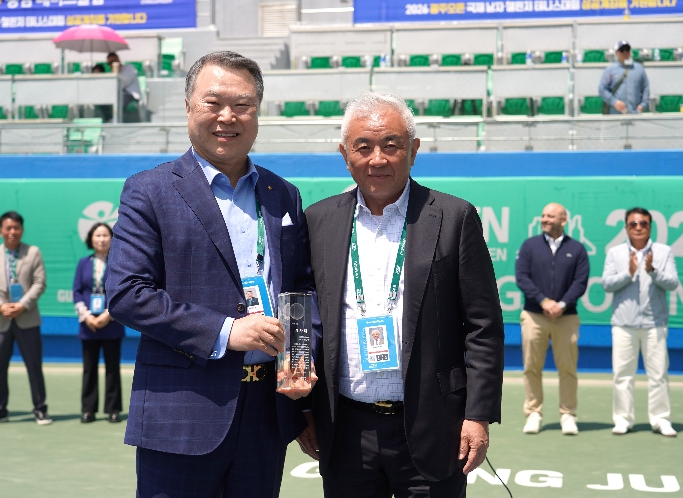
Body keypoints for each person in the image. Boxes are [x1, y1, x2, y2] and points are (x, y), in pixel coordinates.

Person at [106, 51, 319, 498]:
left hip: (267, 413)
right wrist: (226, 331)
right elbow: (127, 293)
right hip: (182, 413)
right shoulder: (149, 190)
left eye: (242, 105)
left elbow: (301, 290)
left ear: (257, 113)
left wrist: (300, 363)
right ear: (188, 107)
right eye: (213, 102)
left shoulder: (283, 194)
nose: (227, 116)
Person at [302, 92, 504, 497]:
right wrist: (305, 409)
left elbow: (483, 326)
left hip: (434, 425)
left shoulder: (454, 217)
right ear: (344, 154)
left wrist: (478, 414)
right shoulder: (318, 220)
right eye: (363, 147)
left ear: (413, 151)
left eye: (391, 145)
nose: (377, 159)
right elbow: (305, 319)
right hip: (344, 430)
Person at [602, 207, 679, 437]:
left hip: (655, 324)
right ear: (626, 227)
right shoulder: (615, 253)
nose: (638, 227)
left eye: (643, 224)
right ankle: (623, 419)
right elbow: (606, 284)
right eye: (633, 224)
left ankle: (661, 419)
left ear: (650, 227)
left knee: (658, 375)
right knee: (622, 375)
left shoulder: (663, 252)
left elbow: (673, 283)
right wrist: (629, 273)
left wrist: (652, 271)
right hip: (623, 325)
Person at [515, 203, 590, 435]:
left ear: (563, 220)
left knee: (568, 368)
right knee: (532, 367)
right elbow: (522, 277)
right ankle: (534, 413)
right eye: (543, 215)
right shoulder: (529, 246)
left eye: (550, 216)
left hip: (566, 317)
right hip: (534, 316)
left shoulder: (577, 249)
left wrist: (562, 304)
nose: (545, 219)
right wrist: (543, 301)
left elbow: (580, 282)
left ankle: (568, 415)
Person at [0, 211, 51, 426]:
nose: (12, 232)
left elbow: (39, 282)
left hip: (27, 318)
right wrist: (0, 306)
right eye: (8, 228)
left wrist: (22, 304)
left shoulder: (33, 252)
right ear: (0, 231)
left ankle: (40, 409)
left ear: (22, 230)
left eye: (16, 228)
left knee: (34, 366)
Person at [73, 223, 124, 424]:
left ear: (112, 239)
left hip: (112, 324)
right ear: (91, 239)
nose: (101, 239)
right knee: (89, 368)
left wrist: (108, 314)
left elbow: (123, 290)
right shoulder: (83, 263)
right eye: (97, 235)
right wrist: (87, 316)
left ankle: (113, 409)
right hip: (89, 326)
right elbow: (77, 292)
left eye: (105, 235)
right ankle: (88, 410)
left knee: (112, 368)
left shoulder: (119, 262)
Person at [599, 40, 650, 115]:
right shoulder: (610, 70)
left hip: (635, 113)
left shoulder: (639, 68)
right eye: (622, 50)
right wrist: (614, 102)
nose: (625, 52)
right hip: (615, 114)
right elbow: (602, 89)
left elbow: (645, 87)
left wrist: (643, 104)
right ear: (616, 52)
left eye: (627, 49)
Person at [107, 52, 141, 117]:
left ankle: (117, 120)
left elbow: (122, 84)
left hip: (131, 95)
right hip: (118, 95)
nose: (112, 64)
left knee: (120, 100)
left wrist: (116, 72)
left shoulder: (129, 68)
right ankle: (109, 120)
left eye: (113, 61)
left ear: (118, 59)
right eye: (109, 63)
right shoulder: (111, 73)